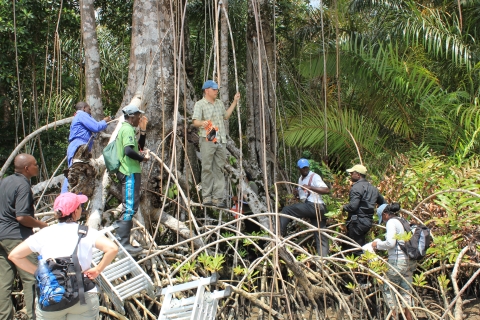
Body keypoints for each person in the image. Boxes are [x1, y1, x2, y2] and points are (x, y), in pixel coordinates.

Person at [8, 192, 118, 320]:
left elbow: (14, 255)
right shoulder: (86, 232)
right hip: (83, 295)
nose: (81, 209)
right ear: (75, 211)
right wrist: (97, 269)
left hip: (51, 296)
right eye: (80, 206)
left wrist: (40, 273)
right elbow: (112, 248)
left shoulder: (44, 233)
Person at [0, 153, 48, 320]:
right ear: (27, 168)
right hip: (16, 236)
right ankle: (35, 316)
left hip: (2, 236)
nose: (37, 166)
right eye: (35, 164)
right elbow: (22, 217)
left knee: (4, 283)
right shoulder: (23, 185)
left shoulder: (5, 181)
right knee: (32, 276)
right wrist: (41, 225)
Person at [192, 80, 240, 208]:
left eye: (217, 89)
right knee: (207, 167)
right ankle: (206, 197)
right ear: (206, 90)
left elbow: (226, 116)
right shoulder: (200, 104)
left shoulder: (219, 103)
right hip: (207, 139)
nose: (216, 91)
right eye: (214, 89)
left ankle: (218, 199)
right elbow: (195, 121)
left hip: (221, 140)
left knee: (219, 168)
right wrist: (202, 123)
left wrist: (235, 101)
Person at [115, 103, 150, 255]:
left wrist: (143, 130)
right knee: (129, 206)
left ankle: (124, 241)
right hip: (129, 171)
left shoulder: (130, 129)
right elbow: (129, 151)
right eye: (138, 116)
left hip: (133, 171)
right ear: (131, 116)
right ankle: (122, 242)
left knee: (132, 205)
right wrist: (142, 159)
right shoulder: (127, 129)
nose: (139, 118)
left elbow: (138, 147)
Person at [372, 203, 415, 320]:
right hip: (409, 261)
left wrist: (377, 245)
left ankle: (394, 316)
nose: (384, 221)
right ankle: (408, 317)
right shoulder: (402, 220)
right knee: (406, 291)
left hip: (397, 261)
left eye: (383, 218)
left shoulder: (391, 222)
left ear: (385, 214)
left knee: (387, 287)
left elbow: (390, 243)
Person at [279, 159, 330, 257]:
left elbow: (326, 190)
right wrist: (297, 193)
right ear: (299, 168)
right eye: (303, 168)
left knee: (286, 210)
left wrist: (310, 187)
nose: (305, 169)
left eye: (306, 167)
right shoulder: (300, 179)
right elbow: (303, 196)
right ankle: (323, 263)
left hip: (315, 206)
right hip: (313, 209)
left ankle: (279, 234)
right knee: (320, 236)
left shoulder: (314, 176)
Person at [62, 102, 111, 193]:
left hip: (79, 146)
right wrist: (105, 121)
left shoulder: (80, 116)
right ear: (84, 108)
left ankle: (75, 201)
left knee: (79, 174)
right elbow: (96, 127)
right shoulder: (82, 115)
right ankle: (67, 198)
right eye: (89, 109)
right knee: (74, 173)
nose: (90, 111)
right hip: (78, 146)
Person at [343, 164, 385, 256]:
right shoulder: (373, 189)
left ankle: (359, 267)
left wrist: (344, 207)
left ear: (358, 175)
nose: (350, 175)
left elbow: (353, 206)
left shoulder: (356, 188)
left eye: (352, 173)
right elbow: (383, 203)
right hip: (367, 222)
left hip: (357, 222)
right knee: (357, 244)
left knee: (356, 249)